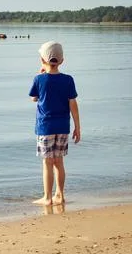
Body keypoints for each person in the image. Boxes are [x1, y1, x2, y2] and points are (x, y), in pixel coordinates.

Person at [28, 41, 81, 206]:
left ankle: (47, 197)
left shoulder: (39, 79)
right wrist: (77, 127)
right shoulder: (68, 80)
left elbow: (34, 98)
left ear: (42, 60)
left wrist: (41, 73)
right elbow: (73, 103)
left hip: (45, 127)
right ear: (62, 60)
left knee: (47, 162)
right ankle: (60, 195)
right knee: (59, 161)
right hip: (63, 126)